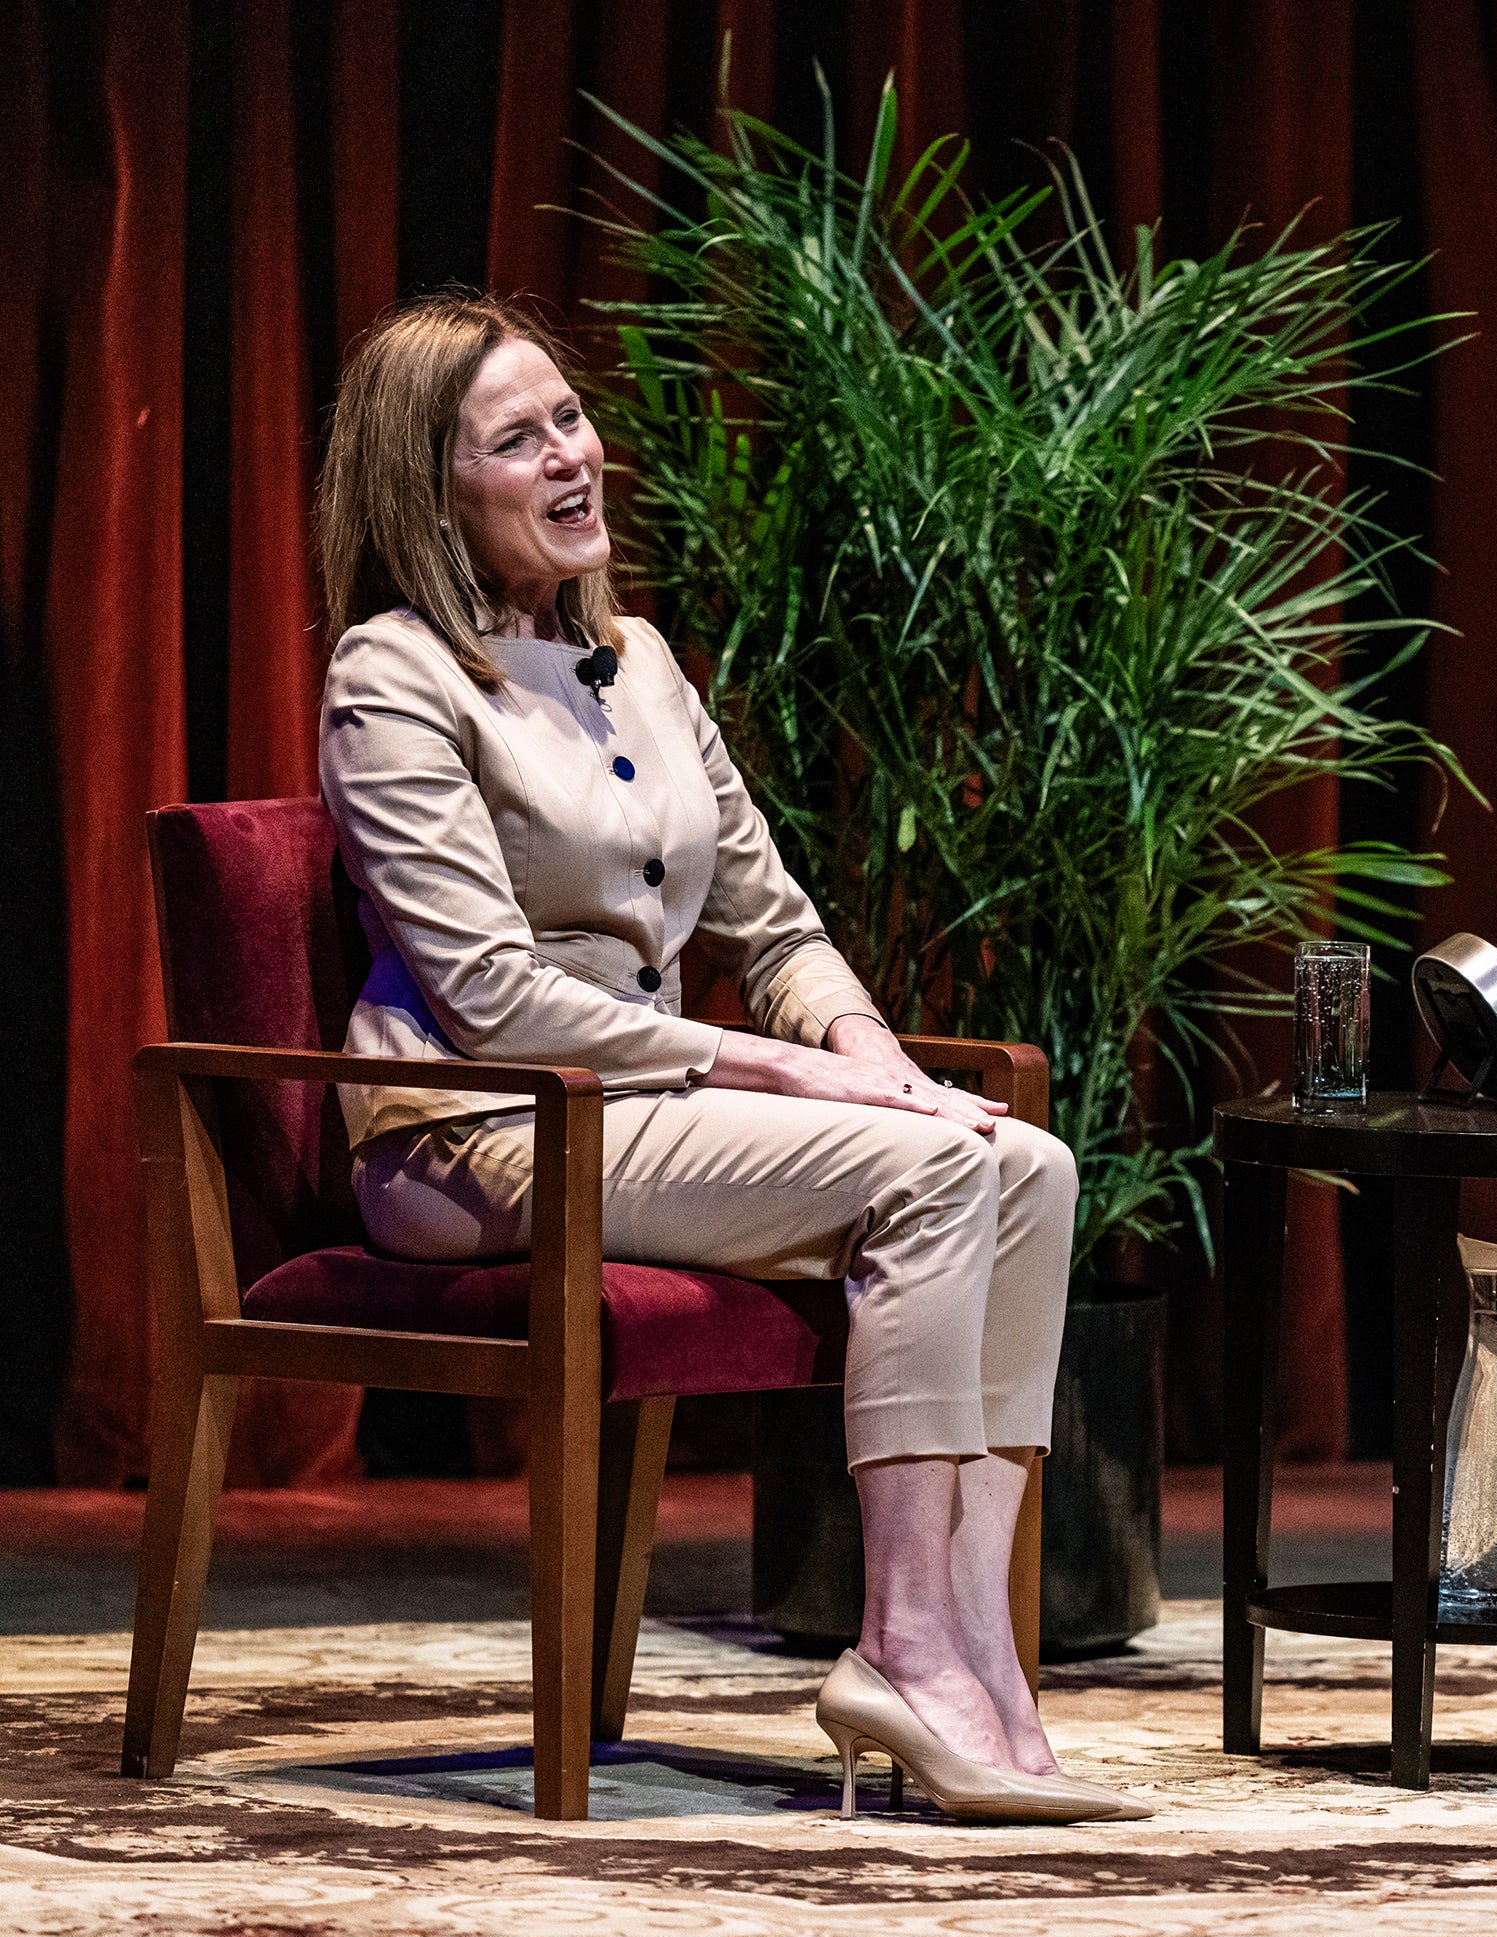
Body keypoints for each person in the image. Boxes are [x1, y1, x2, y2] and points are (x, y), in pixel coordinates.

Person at [312, 292, 1141, 1826]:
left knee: (1021, 1159)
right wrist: (784, 1075)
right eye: (519, 437)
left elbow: (778, 920)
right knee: (929, 1176)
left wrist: (871, 1051)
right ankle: (900, 1645)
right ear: (430, 491)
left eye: (569, 416)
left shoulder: (640, 661)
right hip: (482, 1127)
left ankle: (966, 1636)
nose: (574, 455)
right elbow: (489, 995)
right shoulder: (393, 677)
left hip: (641, 1113)